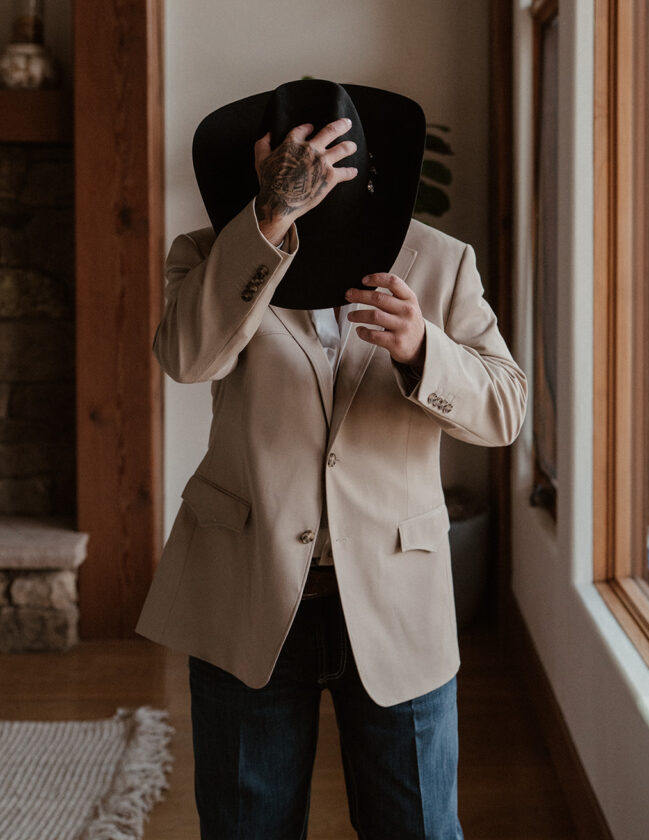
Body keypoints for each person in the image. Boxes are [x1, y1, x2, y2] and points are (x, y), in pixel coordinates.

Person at [136, 79, 527, 840]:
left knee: (417, 827)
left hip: (394, 598)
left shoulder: (440, 263)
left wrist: (423, 352)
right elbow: (187, 359)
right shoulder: (211, 254)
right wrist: (272, 217)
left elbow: (506, 409)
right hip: (246, 593)